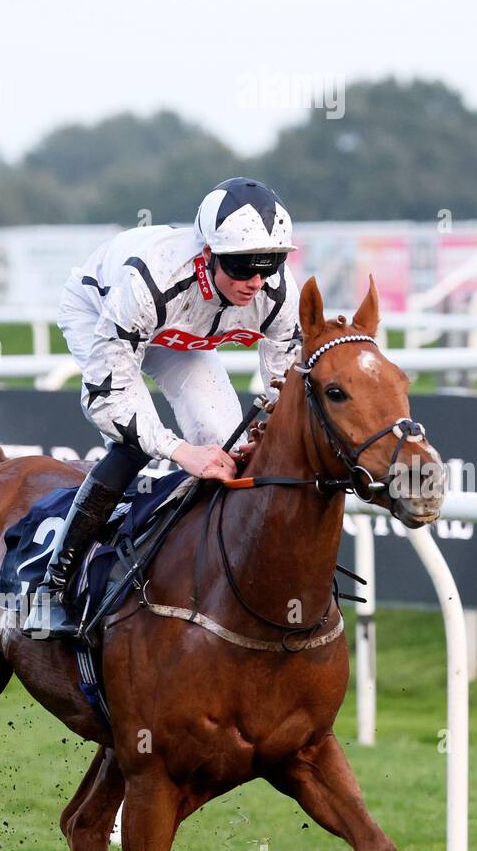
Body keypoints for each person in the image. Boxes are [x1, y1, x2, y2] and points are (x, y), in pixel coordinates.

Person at [22, 177, 302, 640]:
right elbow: (105, 398)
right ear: (208, 254)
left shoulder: (276, 293)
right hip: (105, 310)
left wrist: (265, 436)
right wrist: (177, 451)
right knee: (136, 442)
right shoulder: (150, 279)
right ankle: (53, 586)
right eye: (241, 266)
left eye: (270, 264)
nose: (255, 282)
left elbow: (283, 388)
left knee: (225, 445)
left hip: (180, 334)